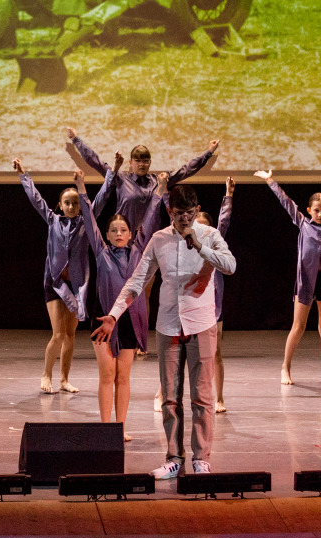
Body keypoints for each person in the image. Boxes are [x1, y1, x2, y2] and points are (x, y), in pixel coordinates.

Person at [93, 183, 235, 478]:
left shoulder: (209, 235)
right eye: (180, 213)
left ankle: (201, 458)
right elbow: (137, 280)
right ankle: (173, 457)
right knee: (170, 397)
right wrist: (114, 315)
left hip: (202, 324)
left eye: (190, 213)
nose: (185, 218)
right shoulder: (159, 239)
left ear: (197, 211)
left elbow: (230, 265)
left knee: (202, 396)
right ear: (170, 211)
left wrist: (199, 245)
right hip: (169, 324)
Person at [75, 167, 165, 434]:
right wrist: (81, 187)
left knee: (123, 377)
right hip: (104, 319)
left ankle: (120, 427)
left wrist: (159, 190)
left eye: (122, 229)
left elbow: (149, 219)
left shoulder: (139, 251)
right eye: (113, 230)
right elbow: (89, 219)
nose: (117, 234)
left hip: (129, 322)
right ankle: (105, 430)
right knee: (107, 375)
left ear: (130, 233)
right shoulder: (102, 252)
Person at [256, 169, 321, 386]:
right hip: (306, 283)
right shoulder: (303, 223)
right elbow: (287, 202)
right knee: (298, 326)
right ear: (309, 210)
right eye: (316, 210)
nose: (320, 214)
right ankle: (285, 367)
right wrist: (270, 180)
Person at [14, 157, 90, 395]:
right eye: (67, 203)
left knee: (70, 335)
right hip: (55, 284)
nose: (71, 206)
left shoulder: (86, 225)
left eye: (75, 203)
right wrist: (24, 174)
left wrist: (85, 184)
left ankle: (64, 379)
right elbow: (36, 199)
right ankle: (46, 374)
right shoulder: (52, 220)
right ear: (59, 205)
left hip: (76, 285)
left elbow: (102, 198)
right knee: (58, 334)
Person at [67, 129, 218, 226]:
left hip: (148, 240)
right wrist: (76, 140)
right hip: (123, 238)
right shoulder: (120, 178)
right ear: (130, 163)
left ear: (150, 163)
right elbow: (95, 161)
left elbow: (185, 170)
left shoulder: (157, 181)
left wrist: (209, 152)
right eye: (138, 161)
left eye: (145, 161)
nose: (142, 164)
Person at [199, 178, 235, 413]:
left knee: (216, 352)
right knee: (181, 352)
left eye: (205, 226)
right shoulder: (184, 243)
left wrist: (228, 195)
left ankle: (219, 398)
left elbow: (224, 220)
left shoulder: (215, 244)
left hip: (213, 306)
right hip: (190, 305)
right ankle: (164, 393)